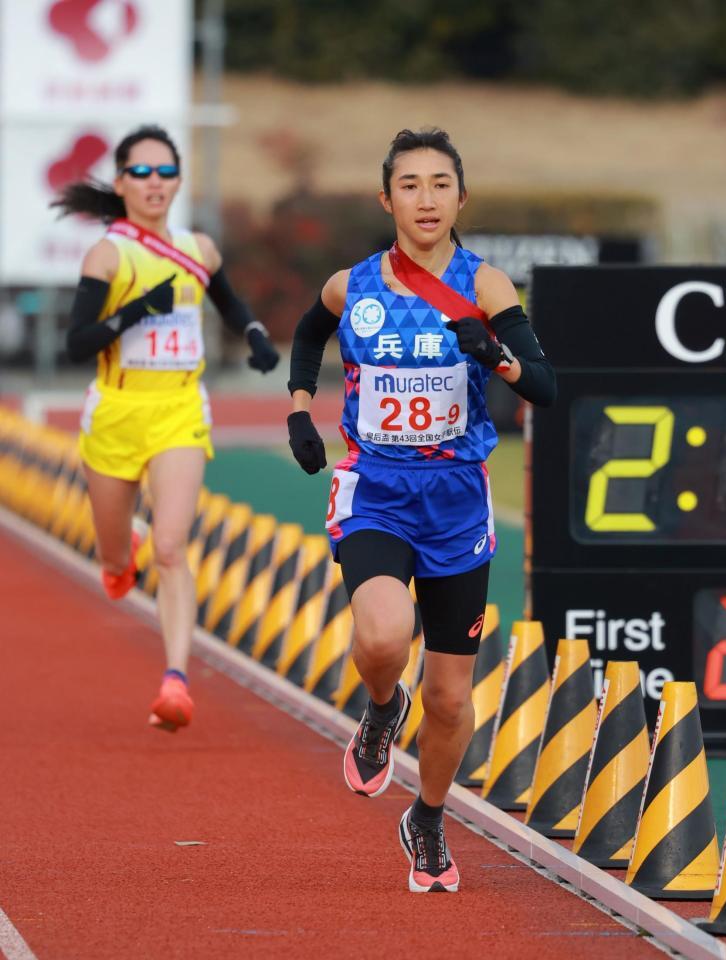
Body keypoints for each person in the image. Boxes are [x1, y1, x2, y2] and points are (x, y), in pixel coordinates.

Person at [287, 128, 556, 892]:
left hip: (456, 502)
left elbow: (542, 385)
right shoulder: (355, 284)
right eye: (410, 185)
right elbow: (311, 330)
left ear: (460, 198)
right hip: (376, 488)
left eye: (441, 184)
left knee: (449, 699)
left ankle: (428, 817)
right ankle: (380, 706)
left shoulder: (487, 285)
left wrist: (494, 354)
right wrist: (301, 409)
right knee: (382, 636)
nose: (426, 198)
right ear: (388, 199)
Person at [53, 124, 279, 733]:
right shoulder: (109, 253)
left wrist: (254, 335)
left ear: (179, 180)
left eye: (165, 172)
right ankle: (116, 557)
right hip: (117, 414)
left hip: (179, 409)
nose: (155, 183)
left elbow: (229, 304)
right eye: (142, 173)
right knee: (115, 556)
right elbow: (76, 344)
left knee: (172, 546)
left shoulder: (198, 248)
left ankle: (176, 680)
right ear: (122, 182)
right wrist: (132, 312)